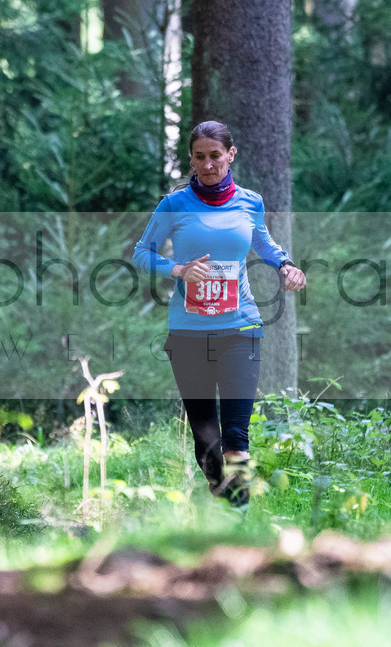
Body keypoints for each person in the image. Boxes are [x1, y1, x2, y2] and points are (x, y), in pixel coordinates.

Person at [133, 121, 306, 506]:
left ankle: (240, 516)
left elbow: (262, 240)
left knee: (235, 436)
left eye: (215, 156)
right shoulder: (174, 204)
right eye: (200, 157)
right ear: (191, 160)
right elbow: (141, 254)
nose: (208, 164)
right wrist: (178, 269)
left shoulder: (250, 201)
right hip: (188, 333)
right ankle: (224, 508)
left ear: (231, 154)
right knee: (206, 440)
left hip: (240, 328)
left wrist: (285, 264)